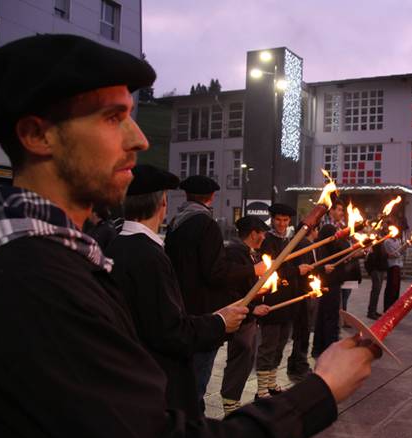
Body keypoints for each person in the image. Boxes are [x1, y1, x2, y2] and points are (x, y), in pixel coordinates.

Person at [0, 34, 374, 438]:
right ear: (37, 135)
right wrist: (321, 391)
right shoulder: (31, 283)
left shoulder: (56, 258)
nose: (140, 139)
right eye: (112, 118)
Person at [107, 164, 253, 419]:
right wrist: (220, 322)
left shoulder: (114, 245)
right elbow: (169, 331)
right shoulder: (149, 256)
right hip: (157, 378)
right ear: (162, 203)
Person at [256, 203, 310, 399]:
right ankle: (261, 388)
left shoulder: (292, 240)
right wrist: (296, 271)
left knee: (281, 344)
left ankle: (271, 382)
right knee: (269, 345)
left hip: (290, 299)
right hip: (272, 299)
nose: (281, 224)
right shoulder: (267, 240)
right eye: (278, 219)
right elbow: (271, 268)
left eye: (285, 220)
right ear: (272, 220)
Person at [220, 215, 271, 415]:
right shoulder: (235, 253)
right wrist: (251, 308)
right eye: (262, 233)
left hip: (249, 316)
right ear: (253, 234)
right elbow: (231, 289)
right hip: (240, 316)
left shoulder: (250, 254)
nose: (264, 237)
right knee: (240, 356)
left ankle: (233, 400)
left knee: (248, 357)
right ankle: (230, 402)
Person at [287, 225, 320, 381]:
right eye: (316, 229)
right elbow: (305, 271)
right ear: (312, 230)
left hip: (305, 291)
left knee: (303, 329)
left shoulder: (306, 244)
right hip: (302, 293)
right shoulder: (303, 245)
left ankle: (296, 363)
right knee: (302, 329)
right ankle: (299, 365)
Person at [312, 201, 345, 357]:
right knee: (328, 315)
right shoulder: (328, 229)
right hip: (329, 281)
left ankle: (320, 347)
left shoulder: (338, 228)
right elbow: (329, 251)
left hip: (333, 279)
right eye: (339, 210)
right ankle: (327, 348)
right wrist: (323, 267)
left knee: (326, 315)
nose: (341, 213)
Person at [365, 228, 388, 319]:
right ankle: (371, 312)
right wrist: (372, 270)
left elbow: (382, 255)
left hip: (380, 269)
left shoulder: (381, 243)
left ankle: (373, 310)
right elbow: (371, 257)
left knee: (377, 291)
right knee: (375, 291)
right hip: (376, 270)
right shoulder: (375, 243)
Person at [383, 224, 404, 312]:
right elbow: (394, 254)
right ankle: (388, 307)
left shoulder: (398, 240)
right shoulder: (387, 241)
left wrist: (404, 247)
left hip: (398, 265)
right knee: (391, 286)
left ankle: (395, 305)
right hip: (392, 266)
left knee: (397, 287)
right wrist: (399, 253)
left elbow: (401, 251)